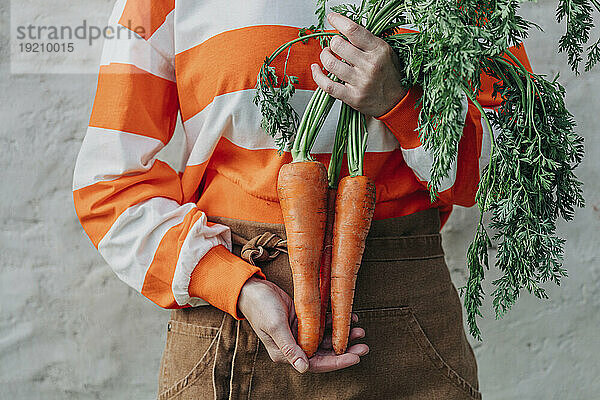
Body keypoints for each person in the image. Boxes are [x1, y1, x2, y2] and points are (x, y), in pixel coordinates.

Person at [73, 1, 532, 399]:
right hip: (231, 320)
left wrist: (400, 102)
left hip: (410, 325)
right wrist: (233, 283)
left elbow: (515, 162)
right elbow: (109, 184)